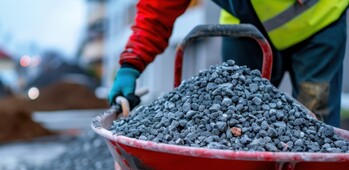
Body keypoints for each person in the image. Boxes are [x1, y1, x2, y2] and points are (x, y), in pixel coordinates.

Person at [108, 1, 348, 127]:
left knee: (316, 125)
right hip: (245, 28)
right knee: (234, 121)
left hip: (318, 22)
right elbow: (157, 11)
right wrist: (131, 65)